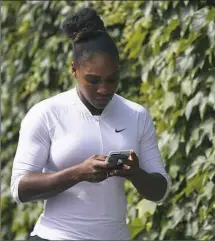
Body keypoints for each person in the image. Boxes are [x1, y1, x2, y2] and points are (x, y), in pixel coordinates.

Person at [11, 7, 171, 241]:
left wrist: (135, 173)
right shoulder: (46, 113)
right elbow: (20, 189)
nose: (104, 89)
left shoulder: (136, 115)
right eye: (93, 80)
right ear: (74, 70)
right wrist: (78, 173)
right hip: (55, 236)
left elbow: (160, 191)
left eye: (112, 79)